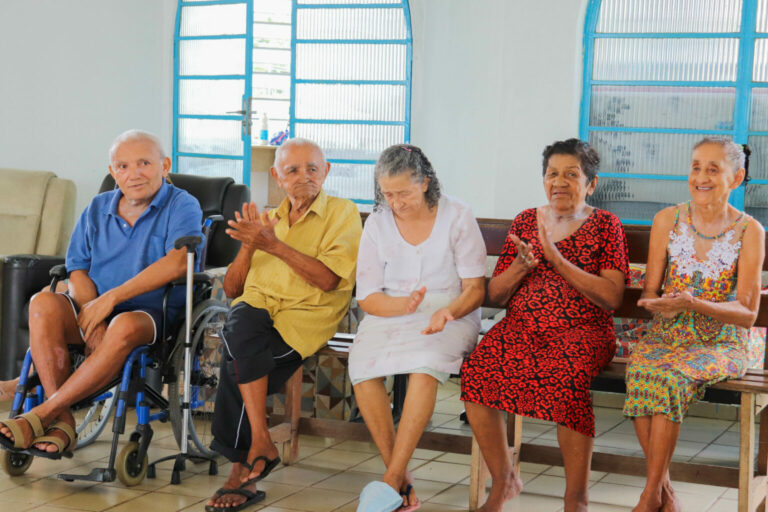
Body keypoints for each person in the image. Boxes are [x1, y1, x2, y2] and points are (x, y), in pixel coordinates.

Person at [0, 130, 203, 458]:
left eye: (144, 163)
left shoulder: (182, 204)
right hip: (94, 306)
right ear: (113, 172)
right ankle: (63, 422)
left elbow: (179, 261)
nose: (134, 174)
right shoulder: (97, 208)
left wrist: (110, 300)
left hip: (149, 314)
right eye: (123, 166)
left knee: (122, 324)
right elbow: (77, 269)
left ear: (165, 165)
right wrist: (93, 315)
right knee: (42, 303)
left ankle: (43, 413)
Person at [461, 138, 629, 512]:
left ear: (591, 183)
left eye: (571, 174)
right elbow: (496, 295)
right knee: (477, 373)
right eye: (552, 174)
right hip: (522, 329)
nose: (559, 182)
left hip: (583, 331)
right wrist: (520, 267)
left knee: (567, 383)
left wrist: (556, 259)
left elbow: (612, 297)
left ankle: (576, 499)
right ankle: (503, 480)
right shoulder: (526, 220)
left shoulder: (606, 225)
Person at [205, 138, 362, 512]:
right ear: (277, 176)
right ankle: (259, 445)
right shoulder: (267, 221)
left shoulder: (342, 213)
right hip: (255, 314)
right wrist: (250, 245)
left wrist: (273, 245)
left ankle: (242, 466)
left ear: (326, 171)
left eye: (312, 168)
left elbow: (328, 280)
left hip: (303, 319)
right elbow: (233, 289)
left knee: (236, 357)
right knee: (240, 324)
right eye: (292, 170)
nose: (303, 176)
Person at [624, 138, 763, 512]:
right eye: (696, 167)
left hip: (722, 341)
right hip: (667, 334)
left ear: (737, 177)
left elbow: (747, 313)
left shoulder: (750, 231)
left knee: (669, 379)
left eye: (713, 169)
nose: (701, 177)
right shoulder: (667, 220)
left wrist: (695, 303)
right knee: (640, 373)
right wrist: (657, 304)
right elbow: (649, 292)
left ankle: (650, 496)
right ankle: (665, 494)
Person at [349, 144, 486, 512]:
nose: (396, 203)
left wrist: (447, 312)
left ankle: (392, 480)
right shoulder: (377, 222)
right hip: (390, 312)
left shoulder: (458, 215)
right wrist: (403, 306)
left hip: (451, 313)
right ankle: (401, 477)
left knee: (424, 366)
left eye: (404, 193)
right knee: (362, 367)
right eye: (388, 194)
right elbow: (368, 297)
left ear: (425, 183)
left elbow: (475, 289)